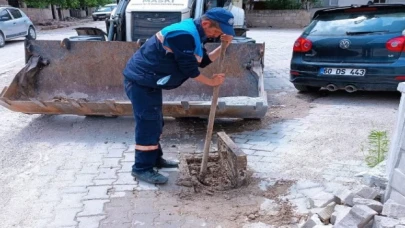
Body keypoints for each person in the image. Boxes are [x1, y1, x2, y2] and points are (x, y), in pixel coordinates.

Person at [122, 7, 235, 184]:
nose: (216, 35)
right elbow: (189, 69)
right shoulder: (183, 35)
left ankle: (154, 159)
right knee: (148, 123)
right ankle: (142, 168)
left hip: (149, 81)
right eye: (217, 31)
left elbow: (203, 61)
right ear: (206, 23)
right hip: (140, 82)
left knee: (156, 121)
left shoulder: (196, 33)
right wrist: (211, 82)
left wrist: (224, 46)